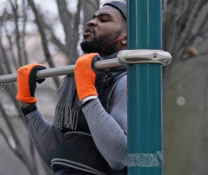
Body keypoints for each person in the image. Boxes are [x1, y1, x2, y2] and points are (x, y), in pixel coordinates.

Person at [16, 1, 127, 174]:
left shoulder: (126, 80)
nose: (91, 22)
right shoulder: (76, 78)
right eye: (93, 18)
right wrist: (28, 106)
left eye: (104, 19)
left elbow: (119, 157)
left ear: (126, 37)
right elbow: (56, 153)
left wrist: (88, 96)